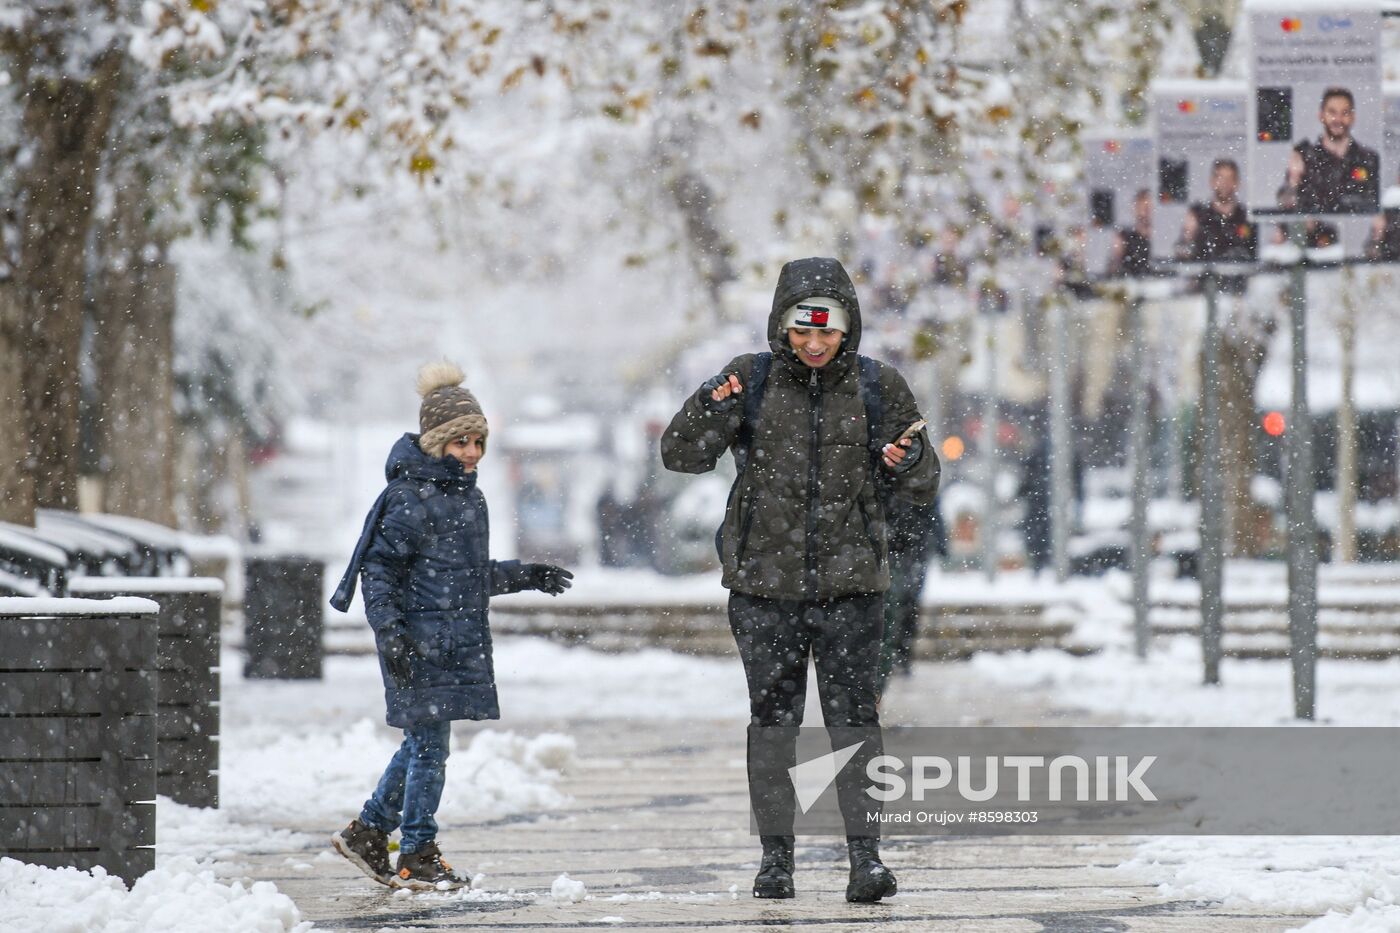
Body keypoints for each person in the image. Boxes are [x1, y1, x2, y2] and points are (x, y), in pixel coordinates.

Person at [660, 257, 940, 903]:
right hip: (764, 589)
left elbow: (922, 482)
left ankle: (865, 859)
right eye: (801, 330)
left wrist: (911, 457)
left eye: (828, 332)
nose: (814, 344)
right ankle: (776, 860)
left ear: (849, 329)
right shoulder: (749, 380)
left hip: (852, 590)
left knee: (854, 723)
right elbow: (681, 454)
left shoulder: (879, 386)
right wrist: (709, 403)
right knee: (773, 724)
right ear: (781, 325)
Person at [328, 362, 574, 891]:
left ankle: (370, 831)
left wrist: (525, 574)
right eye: (460, 441)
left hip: (450, 640)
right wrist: (390, 632)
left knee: (422, 744)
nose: (471, 452)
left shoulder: (466, 497)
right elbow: (379, 571)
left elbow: (464, 577)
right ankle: (415, 851)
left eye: (478, 442)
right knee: (431, 748)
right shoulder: (407, 498)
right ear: (436, 442)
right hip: (417, 642)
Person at [1280, 87, 1380, 214]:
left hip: (1358, 231)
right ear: (1321, 116)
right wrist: (1293, 180)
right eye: (1332, 112)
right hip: (1315, 232)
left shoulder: (1369, 159)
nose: (1338, 119)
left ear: (1352, 117)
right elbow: (1284, 205)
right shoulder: (1305, 158)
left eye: (1344, 113)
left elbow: (1377, 204)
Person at [1178, 159, 1256, 262]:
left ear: (1237, 183)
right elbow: (1182, 249)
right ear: (1212, 182)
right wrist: (1187, 239)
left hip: (1239, 275)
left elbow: (1256, 252)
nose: (1224, 183)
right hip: (1204, 274)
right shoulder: (1198, 213)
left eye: (1230, 178)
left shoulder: (1247, 216)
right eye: (1220, 178)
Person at [1108, 189, 1152, 277]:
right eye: (1143, 207)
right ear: (1134, 208)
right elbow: (1113, 269)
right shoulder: (1122, 237)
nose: (1146, 212)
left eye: (1149, 208)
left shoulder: (1164, 238)